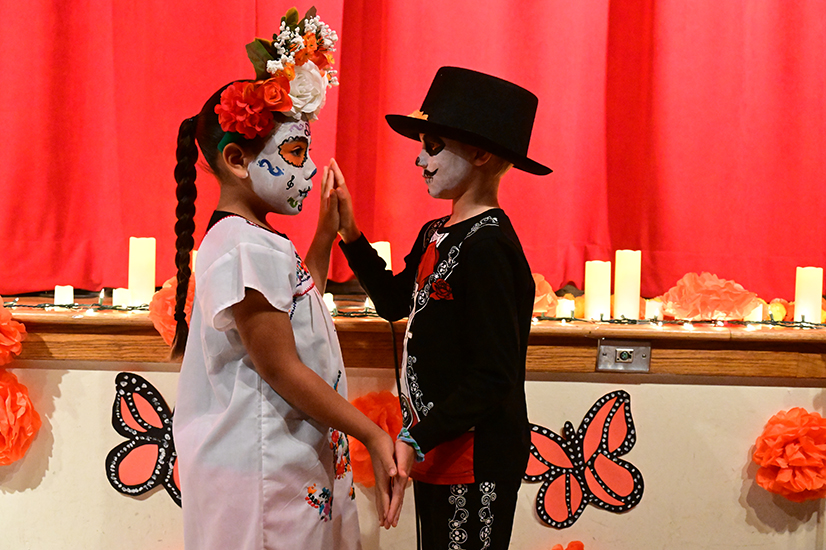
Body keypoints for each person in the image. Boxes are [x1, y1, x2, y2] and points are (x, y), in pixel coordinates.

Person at [169, 8, 402, 550]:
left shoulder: (255, 239)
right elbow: (280, 365)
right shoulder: (244, 245)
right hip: (261, 473)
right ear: (236, 160)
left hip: (280, 462)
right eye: (295, 153)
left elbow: (298, 306)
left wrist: (325, 233)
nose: (310, 169)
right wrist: (369, 431)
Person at [333, 66, 553, 549]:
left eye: (432, 146)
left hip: (475, 457)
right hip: (436, 448)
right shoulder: (436, 232)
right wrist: (350, 233)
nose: (419, 159)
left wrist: (416, 437)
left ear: (479, 153)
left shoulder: (490, 247)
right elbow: (394, 302)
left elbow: (494, 375)